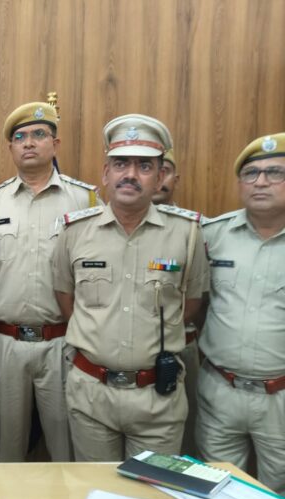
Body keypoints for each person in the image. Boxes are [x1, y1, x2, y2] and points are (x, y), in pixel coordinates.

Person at [52, 114, 209, 461]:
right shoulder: (75, 232)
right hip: (91, 395)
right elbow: (66, 299)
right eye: (121, 163)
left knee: (153, 491)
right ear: (106, 173)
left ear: (160, 176)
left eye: (144, 166)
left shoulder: (187, 234)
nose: (131, 175)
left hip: (158, 399)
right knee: (94, 488)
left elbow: (191, 304)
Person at [0, 102, 100, 462]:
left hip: (63, 343)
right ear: (10, 148)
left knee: (66, 448)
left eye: (39, 134)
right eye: (20, 137)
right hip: (4, 343)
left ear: (55, 144)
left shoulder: (85, 201)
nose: (29, 142)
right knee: (6, 449)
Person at [197, 133, 285, 494]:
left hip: (280, 397)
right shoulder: (212, 235)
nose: (260, 182)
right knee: (217, 493)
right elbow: (193, 302)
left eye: (275, 172)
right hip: (220, 390)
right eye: (251, 173)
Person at [151, 148, 201, 456]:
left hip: (180, 344)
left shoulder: (195, 230)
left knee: (182, 446)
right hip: (123, 356)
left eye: (164, 171)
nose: (157, 179)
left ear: (173, 178)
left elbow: (199, 297)